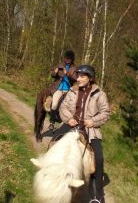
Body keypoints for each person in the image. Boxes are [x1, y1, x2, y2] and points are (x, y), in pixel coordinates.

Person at [57, 65, 109, 202]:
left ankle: (97, 195)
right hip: (71, 124)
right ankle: (53, 180)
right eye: (78, 75)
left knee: (99, 158)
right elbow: (63, 107)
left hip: (90, 129)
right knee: (54, 144)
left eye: (82, 76)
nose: (78, 78)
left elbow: (105, 112)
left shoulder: (100, 94)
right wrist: (69, 119)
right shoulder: (72, 91)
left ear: (90, 78)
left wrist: (93, 121)